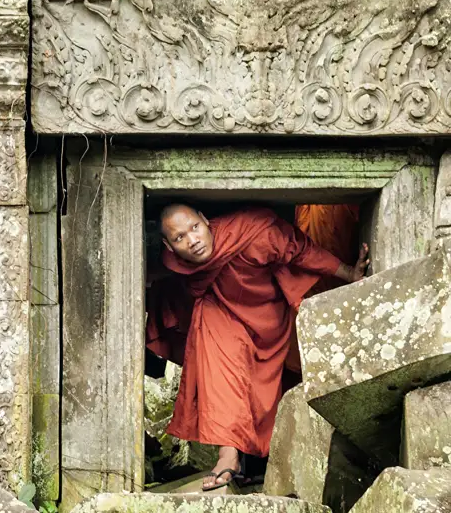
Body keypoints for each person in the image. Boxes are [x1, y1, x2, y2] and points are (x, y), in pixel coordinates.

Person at [146, 204, 369, 490]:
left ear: (205, 219)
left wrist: (349, 273)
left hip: (267, 311)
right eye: (180, 238)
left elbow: (302, 250)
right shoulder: (173, 261)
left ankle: (265, 459)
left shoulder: (252, 230)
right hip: (222, 311)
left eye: (195, 228)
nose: (193, 240)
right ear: (169, 245)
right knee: (219, 367)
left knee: (272, 386)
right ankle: (228, 455)